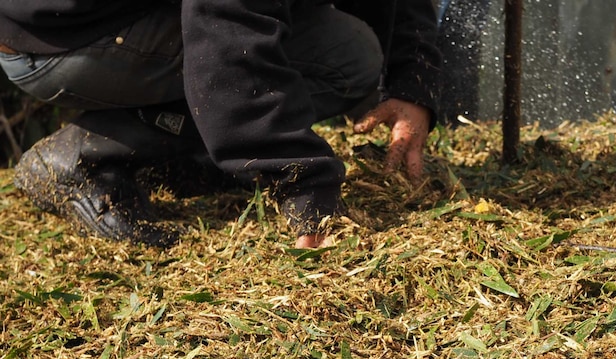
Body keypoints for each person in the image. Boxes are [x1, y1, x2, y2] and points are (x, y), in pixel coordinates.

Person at [0, 0, 441, 248]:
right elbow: (227, 30)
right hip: (62, 39)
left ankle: (196, 154)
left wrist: (411, 83)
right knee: (347, 59)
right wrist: (304, 186)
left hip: (114, 19)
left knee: (347, 50)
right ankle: (86, 149)